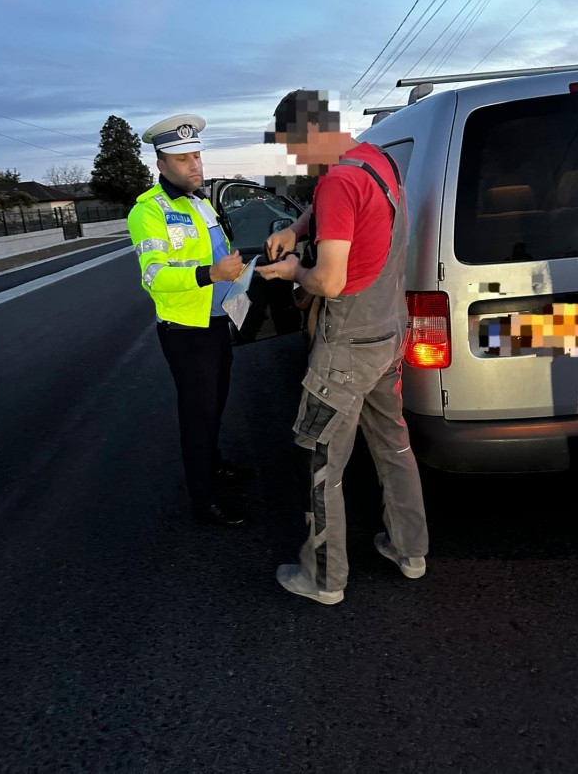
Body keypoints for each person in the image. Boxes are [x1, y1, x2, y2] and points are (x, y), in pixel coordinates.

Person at [257, 89, 429, 604]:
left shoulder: (337, 181)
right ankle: (409, 549)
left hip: (347, 346)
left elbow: (328, 282)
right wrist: (297, 225)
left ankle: (323, 578)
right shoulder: (377, 160)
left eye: (294, 146)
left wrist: (293, 270)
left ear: (309, 133)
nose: (295, 159)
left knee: (321, 457)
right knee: (393, 445)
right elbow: (343, 205)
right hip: (389, 332)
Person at [127, 113, 253, 527]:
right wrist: (211, 275)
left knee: (215, 403)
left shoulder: (202, 203)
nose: (195, 166)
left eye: (197, 156)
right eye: (183, 160)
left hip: (217, 320)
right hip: (186, 330)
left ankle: (213, 464)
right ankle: (204, 501)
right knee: (196, 413)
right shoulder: (149, 212)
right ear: (161, 164)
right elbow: (154, 276)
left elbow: (219, 255)